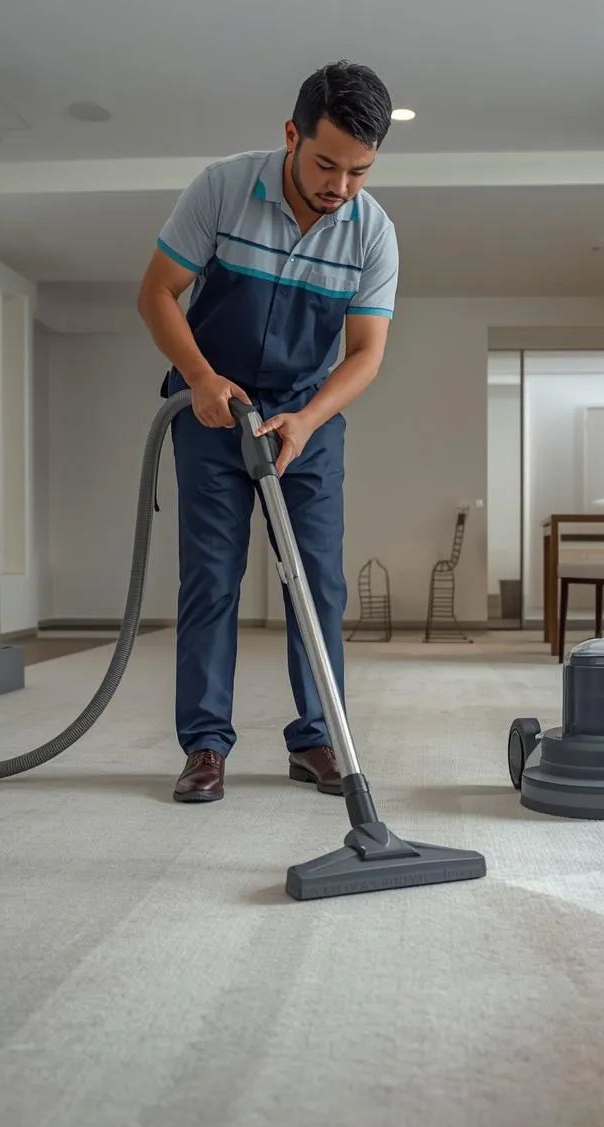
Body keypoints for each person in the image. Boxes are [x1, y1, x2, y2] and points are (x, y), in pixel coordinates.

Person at [136, 62, 398, 804]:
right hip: (211, 408)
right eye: (326, 164)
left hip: (306, 421)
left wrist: (309, 419)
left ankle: (317, 738)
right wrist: (199, 377)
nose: (340, 186)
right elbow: (156, 292)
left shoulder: (373, 234)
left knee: (316, 582)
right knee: (211, 577)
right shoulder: (223, 188)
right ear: (292, 135)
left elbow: (366, 354)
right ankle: (205, 745)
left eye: (359, 171)